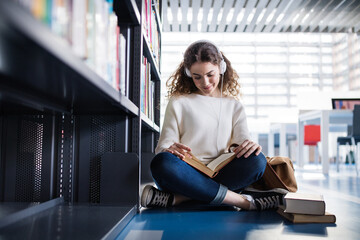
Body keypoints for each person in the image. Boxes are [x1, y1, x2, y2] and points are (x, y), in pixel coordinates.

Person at [141, 40, 288, 211]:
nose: (205, 82)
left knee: (257, 160)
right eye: (197, 77)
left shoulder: (234, 106)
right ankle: (244, 202)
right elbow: (163, 147)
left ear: (221, 68)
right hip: (186, 172)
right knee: (162, 162)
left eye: (210, 74)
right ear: (189, 74)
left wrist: (250, 146)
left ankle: (180, 199)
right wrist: (169, 149)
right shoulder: (179, 102)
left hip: (220, 172)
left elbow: (242, 143)